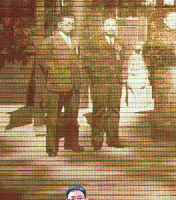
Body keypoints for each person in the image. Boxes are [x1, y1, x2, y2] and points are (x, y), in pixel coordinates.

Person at [143, 11, 176, 139]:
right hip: (163, 73)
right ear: (165, 21)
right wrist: (154, 69)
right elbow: (147, 53)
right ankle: (161, 131)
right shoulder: (156, 35)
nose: (175, 22)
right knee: (164, 102)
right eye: (171, 19)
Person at [38, 16, 85, 155]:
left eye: (72, 24)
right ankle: (52, 147)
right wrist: (54, 72)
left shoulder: (74, 41)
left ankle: (71, 143)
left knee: (72, 116)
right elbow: (42, 60)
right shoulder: (50, 40)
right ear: (59, 25)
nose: (70, 26)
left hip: (74, 85)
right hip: (55, 85)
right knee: (53, 117)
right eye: (67, 23)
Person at [87, 18, 125, 151]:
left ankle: (113, 139)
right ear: (102, 27)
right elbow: (87, 61)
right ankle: (97, 141)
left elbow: (122, 60)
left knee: (114, 110)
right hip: (100, 82)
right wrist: (95, 76)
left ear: (117, 27)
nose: (111, 27)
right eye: (108, 25)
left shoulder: (120, 42)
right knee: (99, 110)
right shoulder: (94, 41)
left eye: (113, 25)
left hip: (115, 82)